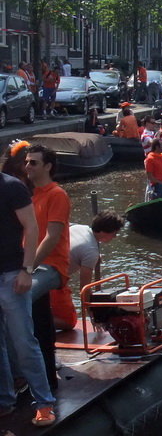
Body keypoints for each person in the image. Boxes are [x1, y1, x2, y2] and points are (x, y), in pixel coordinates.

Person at [0, 154, 56, 426]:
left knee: (24, 342)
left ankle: (44, 402)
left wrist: (27, 270)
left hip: (11, 273)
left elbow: (31, 228)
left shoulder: (11, 186)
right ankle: (4, 401)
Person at [24, 144, 69, 393]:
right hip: (29, 265)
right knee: (40, 319)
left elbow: (52, 237)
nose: (27, 166)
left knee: (19, 296)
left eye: (33, 162)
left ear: (48, 166)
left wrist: (28, 267)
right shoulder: (30, 195)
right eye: (27, 162)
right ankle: (42, 372)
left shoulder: (57, 194)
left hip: (50, 266)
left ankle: (28, 370)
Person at [67, 210, 124, 306]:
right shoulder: (91, 251)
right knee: (68, 320)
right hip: (53, 279)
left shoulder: (79, 228)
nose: (115, 237)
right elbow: (84, 288)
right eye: (114, 233)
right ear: (103, 232)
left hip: (43, 265)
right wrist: (91, 314)